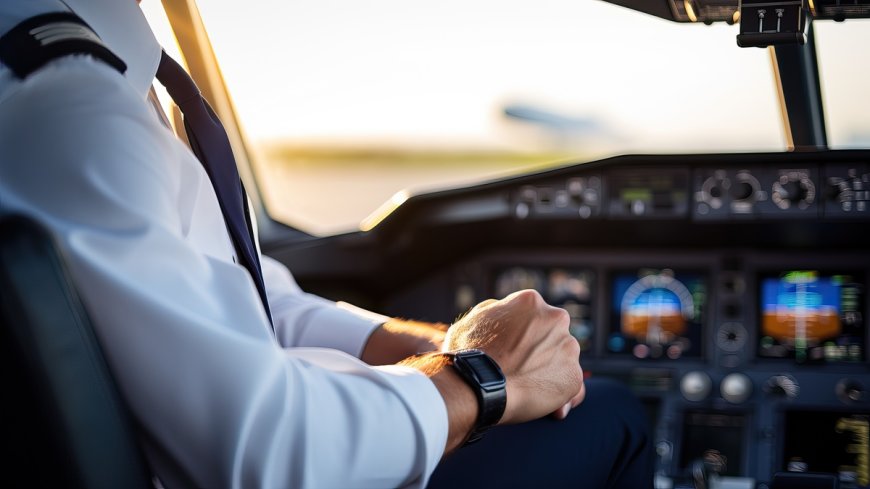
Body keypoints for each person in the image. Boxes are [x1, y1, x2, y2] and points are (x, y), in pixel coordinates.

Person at [0, 0, 652, 487]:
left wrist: (425, 342)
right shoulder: (76, 107)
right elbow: (267, 451)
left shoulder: (98, 82)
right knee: (615, 414)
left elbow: (248, 298)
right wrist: (484, 376)